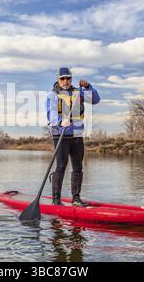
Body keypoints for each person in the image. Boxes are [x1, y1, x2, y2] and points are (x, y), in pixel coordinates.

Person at [45, 67, 101, 206]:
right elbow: (51, 113)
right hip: (60, 135)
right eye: (62, 78)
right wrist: (59, 121)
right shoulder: (52, 95)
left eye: (68, 78)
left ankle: (76, 199)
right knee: (61, 166)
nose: (65, 81)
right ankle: (56, 200)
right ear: (58, 79)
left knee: (78, 167)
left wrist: (88, 86)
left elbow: (95, 99)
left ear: (71, 78)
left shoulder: (78, 93)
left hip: (77, 136)